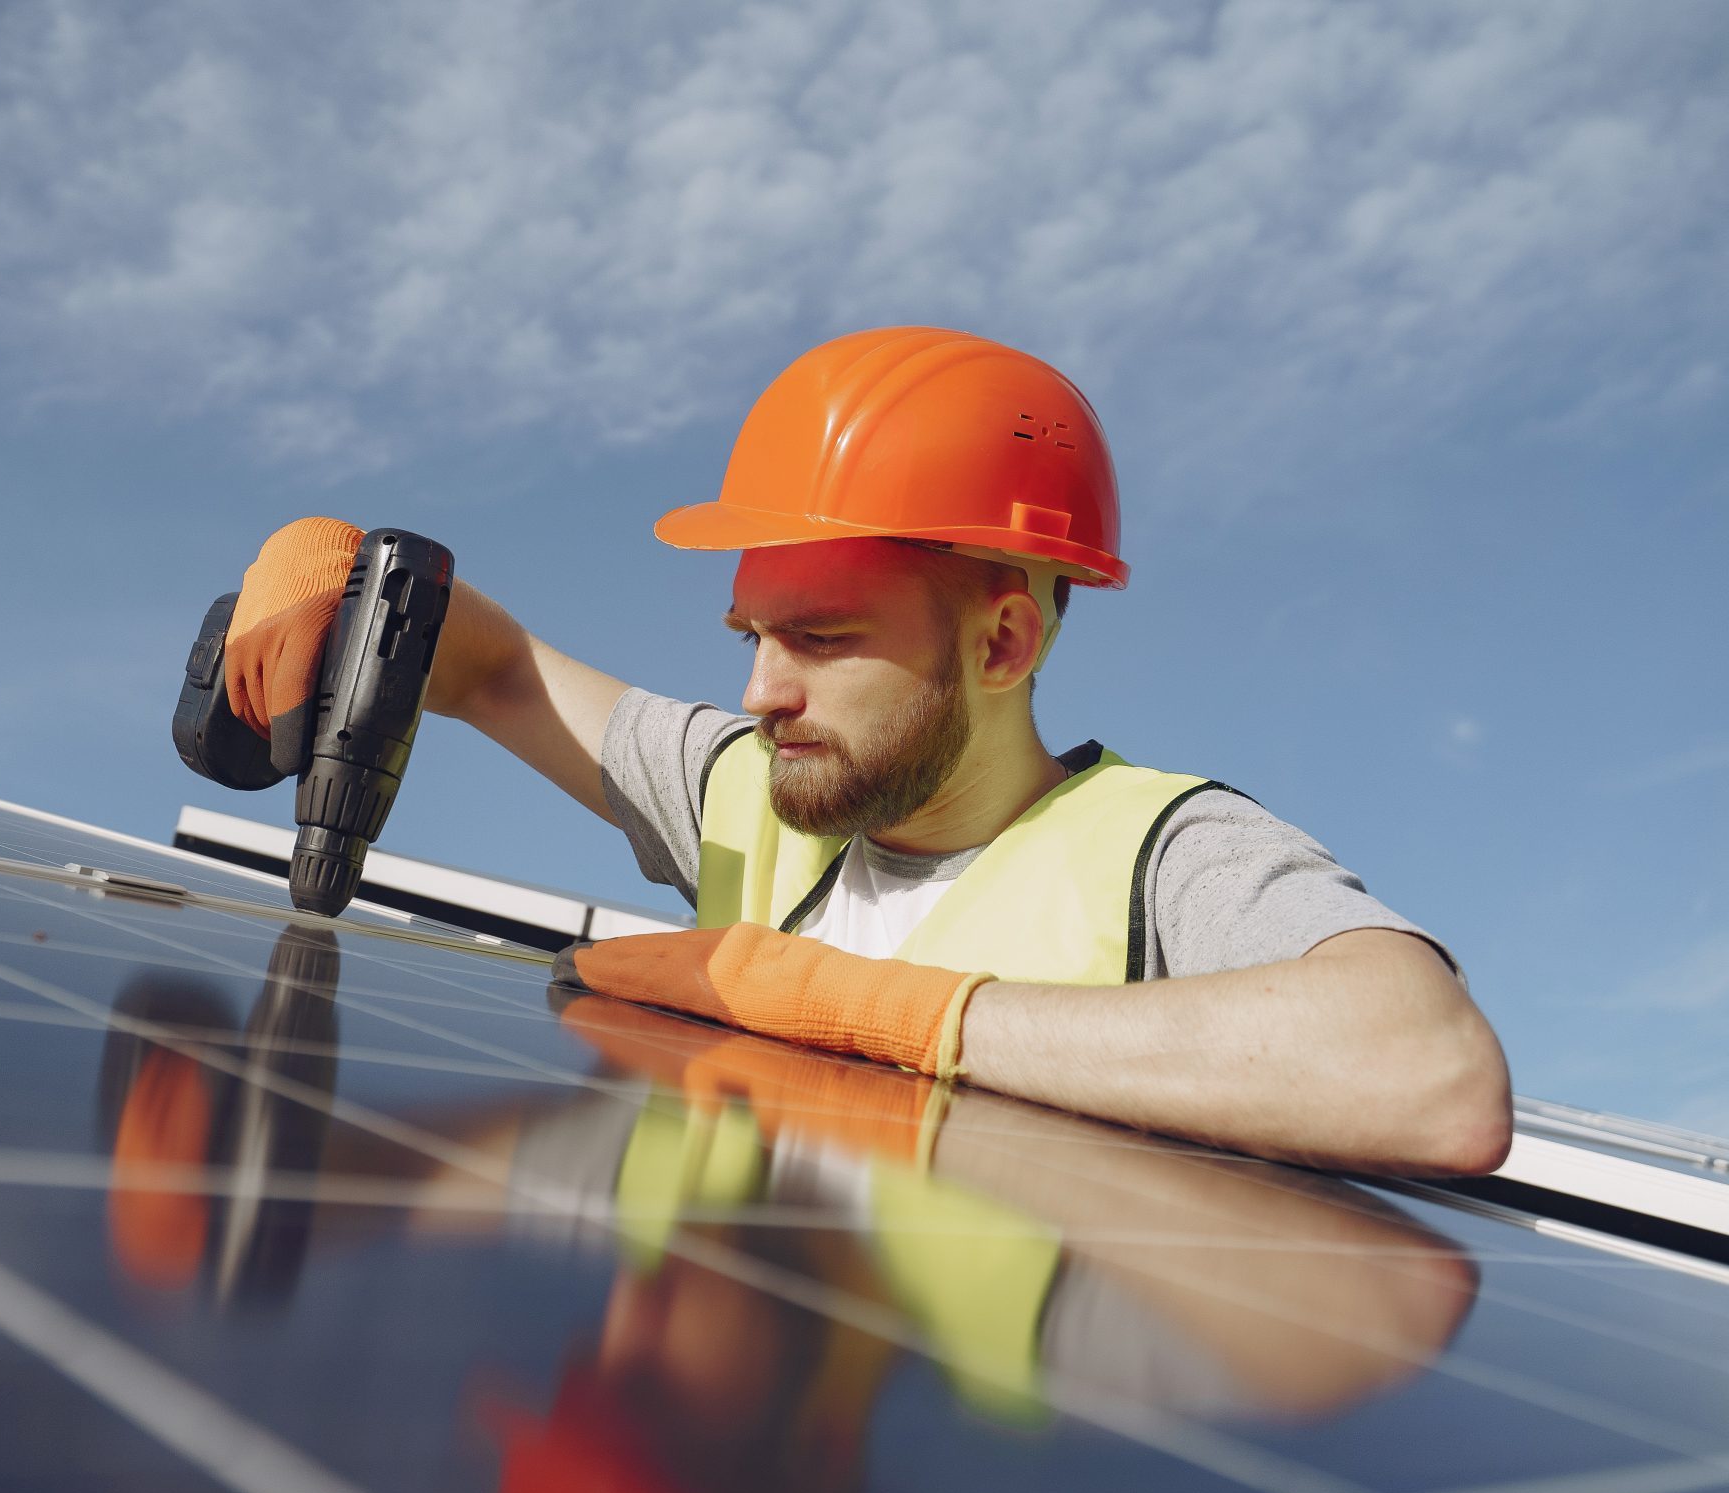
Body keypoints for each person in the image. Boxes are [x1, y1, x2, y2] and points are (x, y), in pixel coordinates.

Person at [218, 326, 1512, 1174]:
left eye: (823, 640)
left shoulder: (1157, 856)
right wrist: (348, 580)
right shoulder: (756, 794)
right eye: (752, 632)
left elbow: (1428, 1072)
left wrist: (876, 1015)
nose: (760, 692)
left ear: (1003, 644)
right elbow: (491, 669)